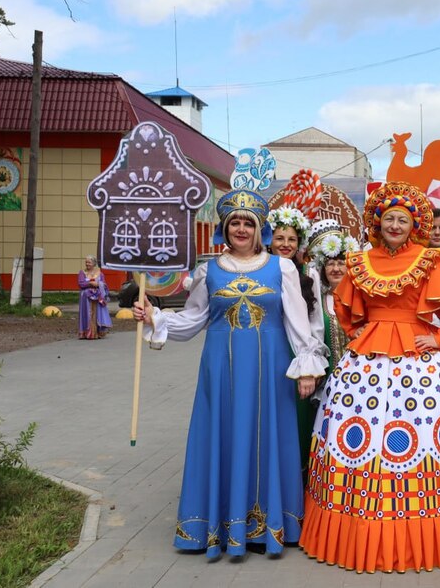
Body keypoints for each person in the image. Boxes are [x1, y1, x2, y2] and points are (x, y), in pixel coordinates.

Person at [299, 181, 440, 574]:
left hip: (420, 360)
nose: (394, 225)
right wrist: (356, 329)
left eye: (401, 220)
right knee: (361, 434)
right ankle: (360, 527)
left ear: (413, 226)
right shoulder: (361, 260)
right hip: (366, 361)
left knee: (420, 431)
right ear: (377, 222)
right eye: (388, 218)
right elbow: (342, 301)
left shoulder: (428, 259)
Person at [132, 189, 328, 558]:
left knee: (269, 436)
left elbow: (299, 323)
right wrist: (154, 317)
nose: (240, 228)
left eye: (247, 223)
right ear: (225, 228)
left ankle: (270, 526)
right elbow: (192, 321)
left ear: (260, 229)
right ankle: (218, 525)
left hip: (271, 370)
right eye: (234, 222)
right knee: (221, 435)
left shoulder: (282, 268)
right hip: (220, 370)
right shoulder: (208, 271)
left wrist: (307, 368)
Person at [268, 205, 326, 479]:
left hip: (299, 354)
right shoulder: (260, 269)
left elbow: (315, 323)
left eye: (291, 239)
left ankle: (298, 479)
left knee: (299, 416)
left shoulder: (308, 275)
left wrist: (312, 362)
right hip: (268, 350)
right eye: (280, 238)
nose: (285, 244)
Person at [306, 218, 360, 374]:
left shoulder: (361, 299)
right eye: (330, 264)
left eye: (341, 263)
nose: (336, 269)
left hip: (360, 375)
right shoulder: (318, 301)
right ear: (323, 269)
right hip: (329, 377)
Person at [78, 256, 112, 339]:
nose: (87, 264)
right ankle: (87, 333)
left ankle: (98, 332)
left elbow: (104, 284)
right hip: (86, 297)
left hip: (97, 296)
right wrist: (90, 284)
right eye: (86, 262)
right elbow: (81, 284)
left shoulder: (100, 273)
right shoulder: (82, 273)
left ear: (94, 263)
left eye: (89, 262)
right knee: (87, 314)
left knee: (97, 313)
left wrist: (98, 284)